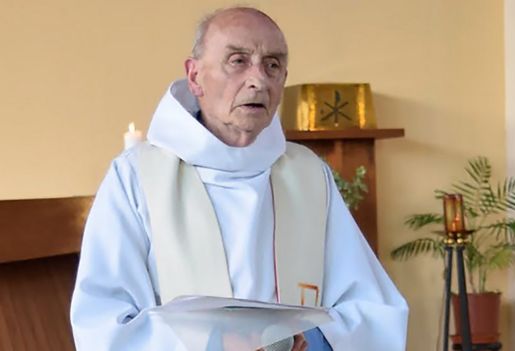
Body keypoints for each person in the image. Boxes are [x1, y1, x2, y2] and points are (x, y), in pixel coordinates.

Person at [70, 6, 408, 351]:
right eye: (238, 61)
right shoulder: (136, 177)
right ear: (195, 75)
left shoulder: (308, 174)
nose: (258, 80)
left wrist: (312, 339)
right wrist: (217, 343)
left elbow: (372, 307)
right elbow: (103, 321)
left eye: (272, 65)